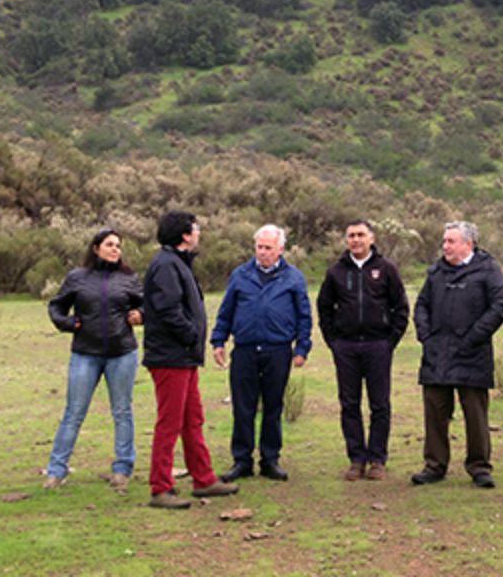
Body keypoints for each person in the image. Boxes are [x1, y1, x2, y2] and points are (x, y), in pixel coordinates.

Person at [143, 211, 239, 509]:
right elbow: (169, 310)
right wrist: (190, 335)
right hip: (170, 356)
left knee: (192, 419)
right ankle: (161, 487)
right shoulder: (165, 266)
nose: (199, 233)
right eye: (196, 228)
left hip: (183, 358)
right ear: (185, 235)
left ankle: (204, 478)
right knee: (170, 423)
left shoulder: (178, 263)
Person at [44, 228, 144, 491]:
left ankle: (123, 468)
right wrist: (68, 323)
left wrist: (141, 315)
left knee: (122, 411)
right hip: (85, 354)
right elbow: (56, 306)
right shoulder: (77, 278)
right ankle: (56, 470)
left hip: (122, 353)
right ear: (95, 248)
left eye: (119, 246)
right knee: (74, 412)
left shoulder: (129, 278)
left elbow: (147, 305)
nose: (115, 249)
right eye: (110, 244)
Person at [412, 221, 503, 489]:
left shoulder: (488, 270)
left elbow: (500, 306)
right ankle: (434, 465)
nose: (445, 246)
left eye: (450, 241)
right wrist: (426, 336)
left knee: (475, 413)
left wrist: (473, 338)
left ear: (468, 244)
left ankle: (479, 466)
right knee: (435, 412)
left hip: (472, 353)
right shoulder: (436, 272)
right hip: (437, 353)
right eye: (444, 241)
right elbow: (421, 305)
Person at [212, 224, 312, 483]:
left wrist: (302, 347)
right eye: (260, 247)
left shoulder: (293, 278)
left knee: (272, 406)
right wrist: (219, 341)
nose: (263, 252)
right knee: (242, 407)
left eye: (269, 248)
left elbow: (304, 316)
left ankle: (270, 460)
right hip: (245, 350)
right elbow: (227, 310)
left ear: (280, 249)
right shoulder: (240, 275)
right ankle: (242, 460)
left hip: (278, 350)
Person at [317, 220, 410, 481]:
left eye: (360, 235)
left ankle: (377, 459)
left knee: (380, 404)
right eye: (351, 236)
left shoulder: (386, 269)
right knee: (349, 404)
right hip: (345, 347)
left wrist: (389, 341)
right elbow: (324, 308)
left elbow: (400, 308)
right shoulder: (336, 271)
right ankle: (356, 458)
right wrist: (333, 342)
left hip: (377, 345)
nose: (355, 240)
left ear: (372, 238)